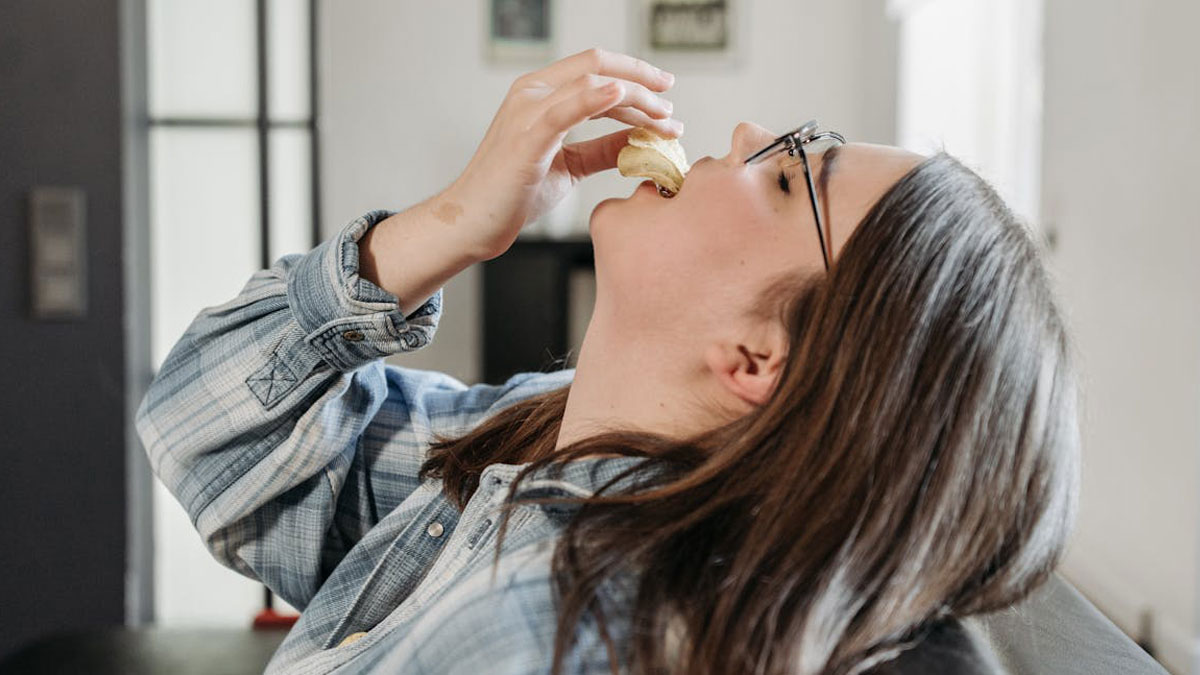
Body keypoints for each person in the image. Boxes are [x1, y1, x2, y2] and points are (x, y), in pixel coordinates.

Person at [136, 48, 1080, 675]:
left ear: (758, 356)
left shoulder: (551, 639)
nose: (746, 134)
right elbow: (203, 431)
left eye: (791, 177)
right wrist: (450, 225)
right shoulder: (550, 431)